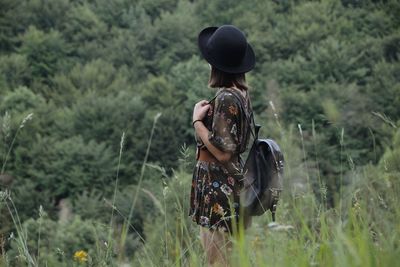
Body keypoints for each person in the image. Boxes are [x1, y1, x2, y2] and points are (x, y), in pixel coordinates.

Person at [189, 25, 255, 266]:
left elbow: (224, 154)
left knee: (217, 261)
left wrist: (198, 122)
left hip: (219, 190)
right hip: (226, 187)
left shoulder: (227, 97)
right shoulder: (240, 95)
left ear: (215, 65)